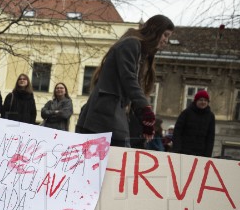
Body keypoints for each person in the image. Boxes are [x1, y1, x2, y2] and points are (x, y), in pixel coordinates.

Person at [76, 14, 174, 146]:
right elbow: (129, 79)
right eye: (165, 35)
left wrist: (143, 117)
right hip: (103, 115)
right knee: (118, 154)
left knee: (116, 155)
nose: (166, 40)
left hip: (109, 113)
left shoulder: (140, 51)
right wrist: (145, 108)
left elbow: (134, 85)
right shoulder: (131, 44)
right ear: (155, 31)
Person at [172, 89, 216, 157]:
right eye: (201, 100)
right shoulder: (186, 113)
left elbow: (210, 137)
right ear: (196, 101)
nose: (203, 102)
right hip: (184, 151)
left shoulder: (210, 116)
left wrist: (208, 154)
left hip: (201, 153)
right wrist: (177, 149)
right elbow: (177, 132)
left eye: (205, 100)